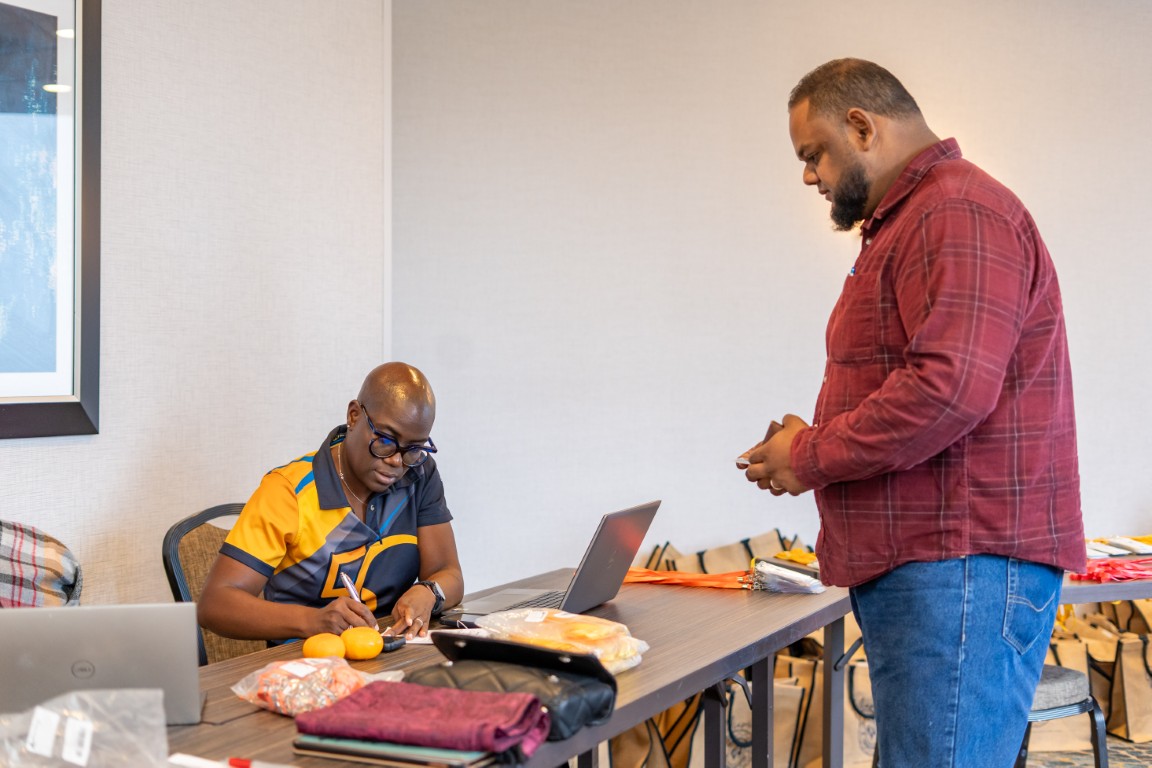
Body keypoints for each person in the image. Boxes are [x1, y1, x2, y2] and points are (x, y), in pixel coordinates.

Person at [741, 59, 1086, 768]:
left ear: (862, 127)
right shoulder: (922, 217)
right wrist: (810, 442)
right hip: (946, 571)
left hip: (959, 569)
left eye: (814, 153)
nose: (809, 176)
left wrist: (807, 456)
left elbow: (946, 391)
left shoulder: (953, 210)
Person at [199, 362, 463, 641]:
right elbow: (215, 605)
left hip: (392, 651)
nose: (397, 461)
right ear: (354, 416)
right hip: (307, 657)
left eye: (414, 448)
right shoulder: (288, 490)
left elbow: (449, 573)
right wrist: (313, 621)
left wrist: (430, 592)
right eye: (386, 440)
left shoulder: (419, 474)